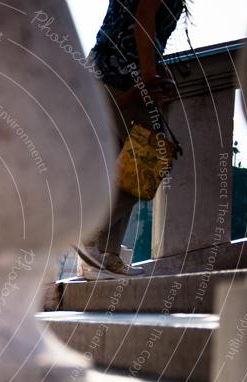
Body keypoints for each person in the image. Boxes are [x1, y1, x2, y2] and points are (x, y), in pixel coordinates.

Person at [78, 0, 188, 280]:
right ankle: (93, 234)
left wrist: (154, 70)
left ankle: (105, 254)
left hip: (106, 73)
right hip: (121, 77)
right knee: (145, 161)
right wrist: (149, 78)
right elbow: (143, 17)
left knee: (130, 163)